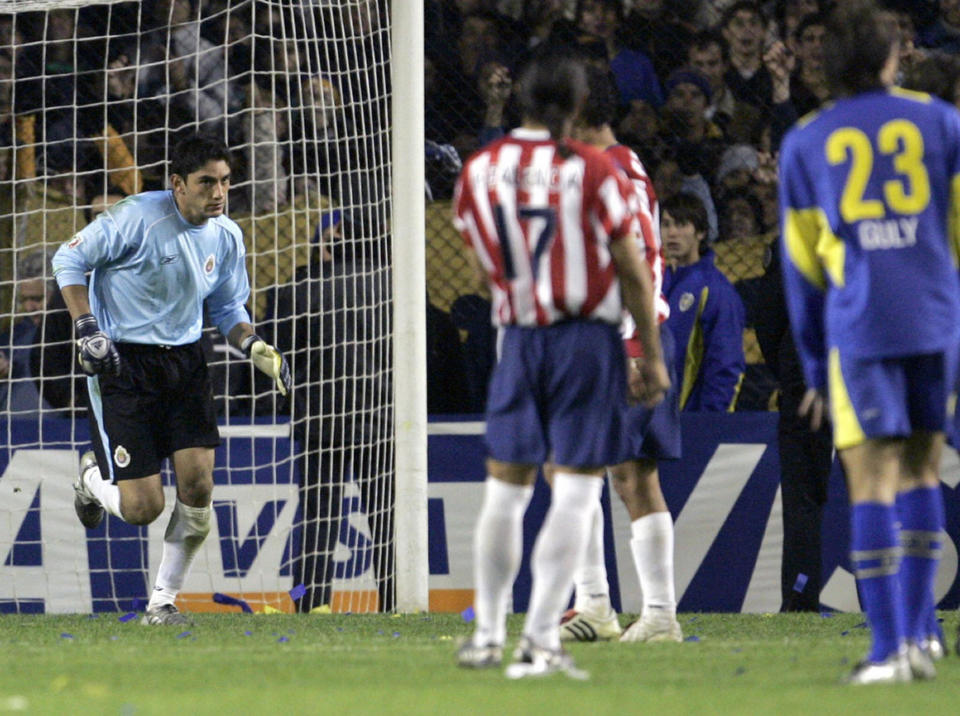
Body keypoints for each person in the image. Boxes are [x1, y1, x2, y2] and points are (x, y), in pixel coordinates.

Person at [452, 52, 669, 679]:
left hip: (519, 338)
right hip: (585, 342)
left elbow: (475, 267)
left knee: (507, 491)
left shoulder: (481, 168)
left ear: (519, 100)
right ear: (575, 105)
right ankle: (541, 639)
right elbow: (631, 266)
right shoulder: (595, 168)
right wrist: (650, 355)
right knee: (577, 492)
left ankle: (489, 634)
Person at [778, 0, 960, 683]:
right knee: (921, 471)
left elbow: (800, 271)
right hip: (936, 322)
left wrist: (813, 368)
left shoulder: (804, 141)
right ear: (892, 57)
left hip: (861, 329)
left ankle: (888, 651)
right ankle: (918, 641)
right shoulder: (941, 121)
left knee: (869, 485)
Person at [53, 134, 291, 626]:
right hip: (122, 365)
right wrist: (85, 327)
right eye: (207, 183)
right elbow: (68, 260)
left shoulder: (226, 234)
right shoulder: (136, 216)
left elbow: (226, 305)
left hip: (185, 363)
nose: (219, 193)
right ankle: (91, 478)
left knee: (199, 486)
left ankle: (163, 602)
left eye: (225, 181)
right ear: (178, 184)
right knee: (142, 507)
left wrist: (252, 344)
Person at [559, 66, 683, 645]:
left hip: (629, 341)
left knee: (632, 474)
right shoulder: (604, 167)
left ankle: (658, 614)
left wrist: (636, 347)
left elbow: (642, 265)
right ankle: (597, 607)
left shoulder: (616, 171)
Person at [662, 192, 746, 412]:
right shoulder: (653, 283)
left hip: (689, 424)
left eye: (681, 225)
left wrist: (710, 423)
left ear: (700, 232)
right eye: (666, 224)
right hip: (646, 422)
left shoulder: (716, 290)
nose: (672, 233)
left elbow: (725, 364)